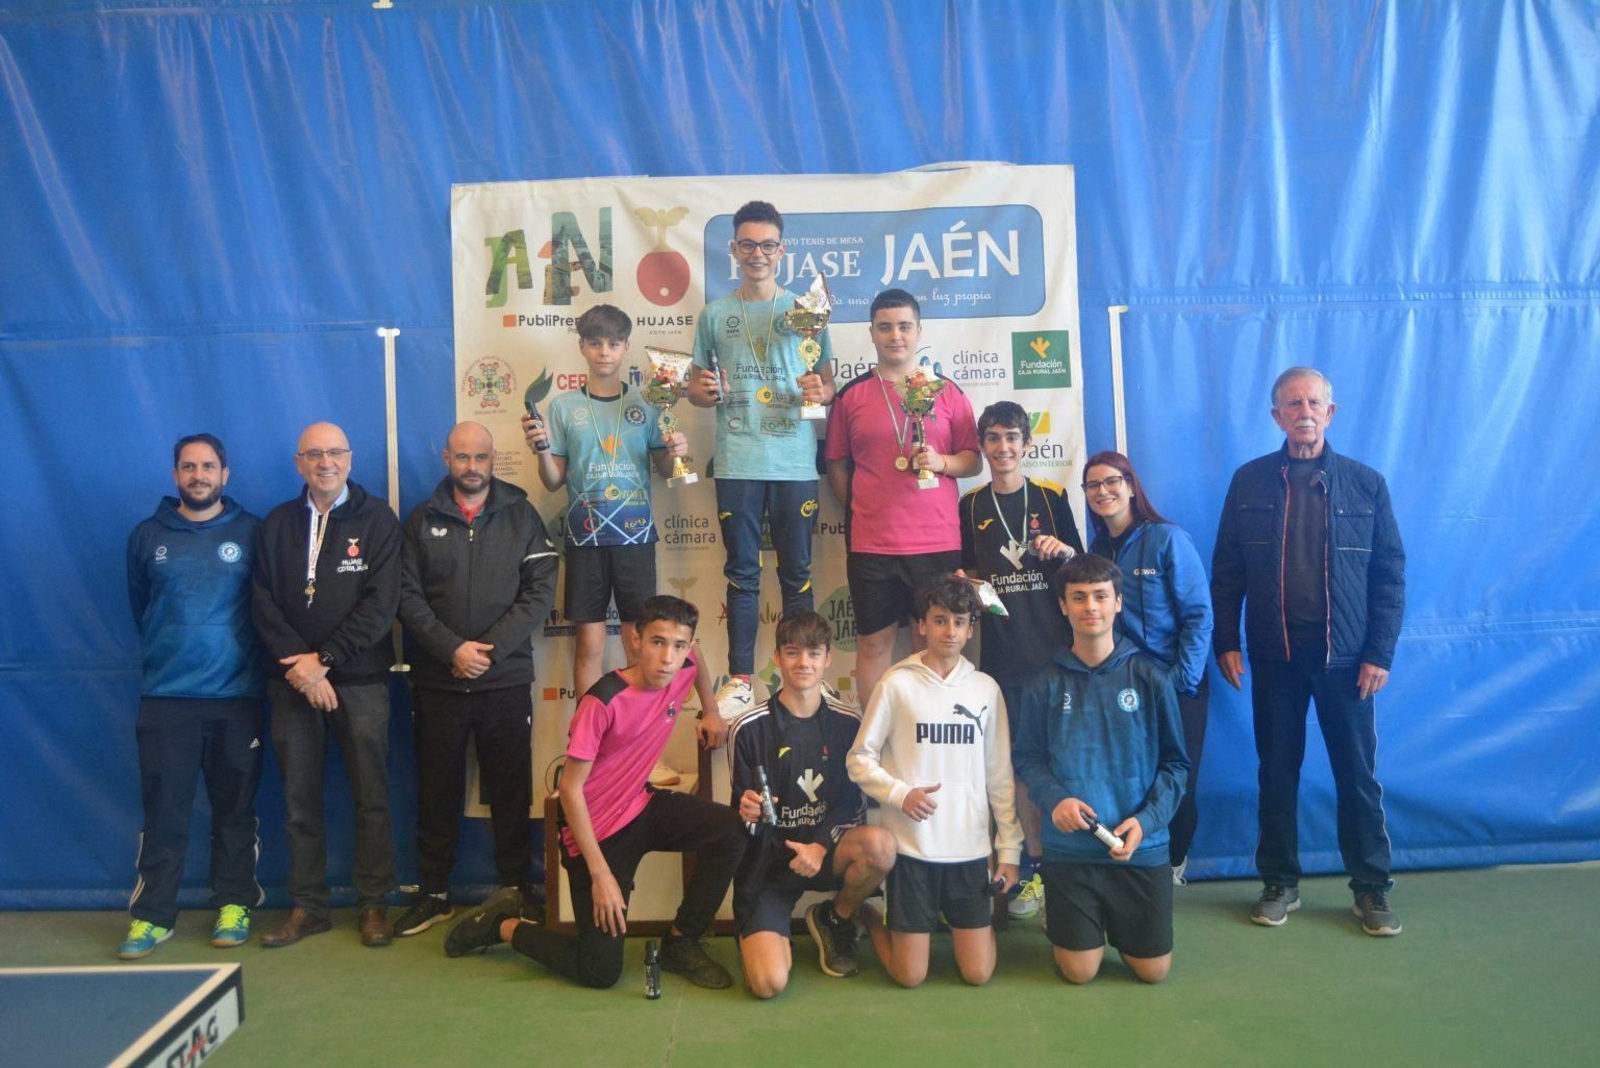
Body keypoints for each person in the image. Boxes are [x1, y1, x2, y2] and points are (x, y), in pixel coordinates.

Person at [442, 596, 744, 990]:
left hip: (641, 805)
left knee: (731, 830)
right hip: (594, 833)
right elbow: (570, 790)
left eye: (678, 645)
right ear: (635, 641)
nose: (668, 658)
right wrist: (601, 874)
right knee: (599, 971)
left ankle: (681, 941)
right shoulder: (602, 702)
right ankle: (502, 925)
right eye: (657, 642)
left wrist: (711, 710)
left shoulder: (684, 665)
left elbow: (698, 659)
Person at [1211, 367, 1406, 935]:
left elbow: (1389, 575)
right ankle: (1279, 883)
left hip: (1346, 660)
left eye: (1314, 402)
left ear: (1330, 411)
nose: (1304, 411)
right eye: (1292, 403)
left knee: (1357, 776)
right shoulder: (1248, 482)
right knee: (1276, 772)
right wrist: (1227, 639)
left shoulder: (1365, 484)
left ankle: (1371, 890)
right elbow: (1227, 571)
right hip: (1275, 656)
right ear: (1276, 416)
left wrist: (1379, 652)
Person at [393, 421, 559, 937]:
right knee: (437, 791)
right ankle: (436, 893)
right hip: (439, 680)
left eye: (480, 458)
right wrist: (451, 650)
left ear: (493, 460)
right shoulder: (421, 520)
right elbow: (406, 596)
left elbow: (539, 591)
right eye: (462, 457)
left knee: (510, 791)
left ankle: (515, 889)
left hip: (503, 679)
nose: (471, 467)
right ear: (446, 458)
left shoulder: (521, 514)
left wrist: (486, 651)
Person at [251, 422, 402, 948]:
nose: (325, 462)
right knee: (298, 801)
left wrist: (327, 660)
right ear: (298, 463)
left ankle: (374, 904)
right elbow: (262, 603)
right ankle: (309, 907)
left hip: (360, 682)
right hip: (292, 684)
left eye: (335, 452)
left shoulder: (378, 519)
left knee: (372, 797)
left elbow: (382, 605)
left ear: (351, 459)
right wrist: (304, 668)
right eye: (314, 454)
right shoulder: (276, 524)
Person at [118, 434, 266, 959]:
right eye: (188, 466)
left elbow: (267, 611)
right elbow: (144, 608)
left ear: (225, 474)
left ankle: (234, 903)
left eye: (208, 466)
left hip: (237, 698)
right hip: (167, 699)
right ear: (175, 474)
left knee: (235, 811)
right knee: (165, 814)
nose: (198, 474)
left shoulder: (253, 533)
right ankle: (152, 917)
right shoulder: (147, 536)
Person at [687, 201, 835, 722]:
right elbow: (697, 389)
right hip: (737, 459)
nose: (757, 254)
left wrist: (821, 387)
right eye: (747, 244)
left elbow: (829, 381)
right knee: (742, 575)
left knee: (797, 575)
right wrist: (703, 392)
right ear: (733, 250)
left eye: (767, 245)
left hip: (795, 461)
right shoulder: (715, 315)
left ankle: (806, 678)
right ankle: (741, 681)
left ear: (781, 250)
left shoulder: (807, 310)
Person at [1012, 553, 1189, 984]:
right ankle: (1067, 919)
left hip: (1140, 851)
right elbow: (1028, 759)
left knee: (1153, 972)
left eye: (1099, 596)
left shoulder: (1151, 678)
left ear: (1117, 603)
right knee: (1079, 972)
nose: (1089, 606)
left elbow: (1176, 765)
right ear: (1063, 606)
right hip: (1071, 854)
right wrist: (1055, 799)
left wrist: (1145, 823)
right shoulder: (1044, 683)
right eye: (1078, 597)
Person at [847, 574, 1022, 987]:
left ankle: (961, 929)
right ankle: (870, 917)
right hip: (914, 849)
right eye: (940, 620)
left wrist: (1009, 850)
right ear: (922, 625)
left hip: (969, 850)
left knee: (978, 974)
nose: (950, 631)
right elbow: (859, 760)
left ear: (970, 629)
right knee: (909, 977)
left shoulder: (985, 689)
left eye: (959, 622)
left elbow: (1000, 776)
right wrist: (900, 793)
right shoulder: (896, 683)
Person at [522, 304, 692, 704]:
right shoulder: (563, 407)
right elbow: (552, 480)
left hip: (635, 537)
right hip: (585, 538)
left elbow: (670, 470)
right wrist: (542, 451)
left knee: (641, 644)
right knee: (590, 642)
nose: (604, 351)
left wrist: (677, 451)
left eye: (613, 343)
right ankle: (588, 736)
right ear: (581, 347)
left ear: (626, 347)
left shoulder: (648, 403)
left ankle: (638, 733)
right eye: (595, 343)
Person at [726, 611, 896, 997]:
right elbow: (740, 817)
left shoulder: (849, 723)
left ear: (828, 658)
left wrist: (819, 846)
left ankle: (836, 917)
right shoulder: (748, 727)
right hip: (769, 868)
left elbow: (853, 805)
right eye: (792, 652)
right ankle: (769, 932)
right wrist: (746, 811)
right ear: (777, 658)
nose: (803, 663)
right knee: (769, 983)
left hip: (825, 853)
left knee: (881, 846)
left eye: (813, 653)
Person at [826, 289, 981, 706]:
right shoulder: (850, 396)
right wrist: (860, 511)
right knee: (874, 645)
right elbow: (836, 465)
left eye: (904, 326)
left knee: (933, 644)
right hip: (871, 544)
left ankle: (928, 739)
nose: (896, 335)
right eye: (885, 327)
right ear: (872, 333)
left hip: (936, 542)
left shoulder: (947, 391)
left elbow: (973, 460)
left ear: (919, 331)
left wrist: (941, 461)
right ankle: (873, 744)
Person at [959, 401, 1083, 918]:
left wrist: (1064, 554)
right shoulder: (969, 505)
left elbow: (1085, 569)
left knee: (1063, 764)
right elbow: (962, 575)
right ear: (982, 446)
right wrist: (968, 586)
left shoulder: (1052, 498)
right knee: (1016, 770)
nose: (1003, 448)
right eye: (992, 438)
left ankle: (1069, 866)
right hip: (1003, 659)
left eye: (1012, 437)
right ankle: (1027, 867)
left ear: (1027, 444)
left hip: (1056, 656)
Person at [1082, 450, 1213, 886]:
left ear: (1131, 485)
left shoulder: (1167, 538)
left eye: (1111, 481)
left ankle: (1174, 862)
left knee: (1178, 779)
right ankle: (1137, 858)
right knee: (1132, 777)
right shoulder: (1097, 550)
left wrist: (1182, 682)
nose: (1103, 491)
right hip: (1124, 686)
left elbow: (1198, 615)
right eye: (1093, 485)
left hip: (1176, 682)